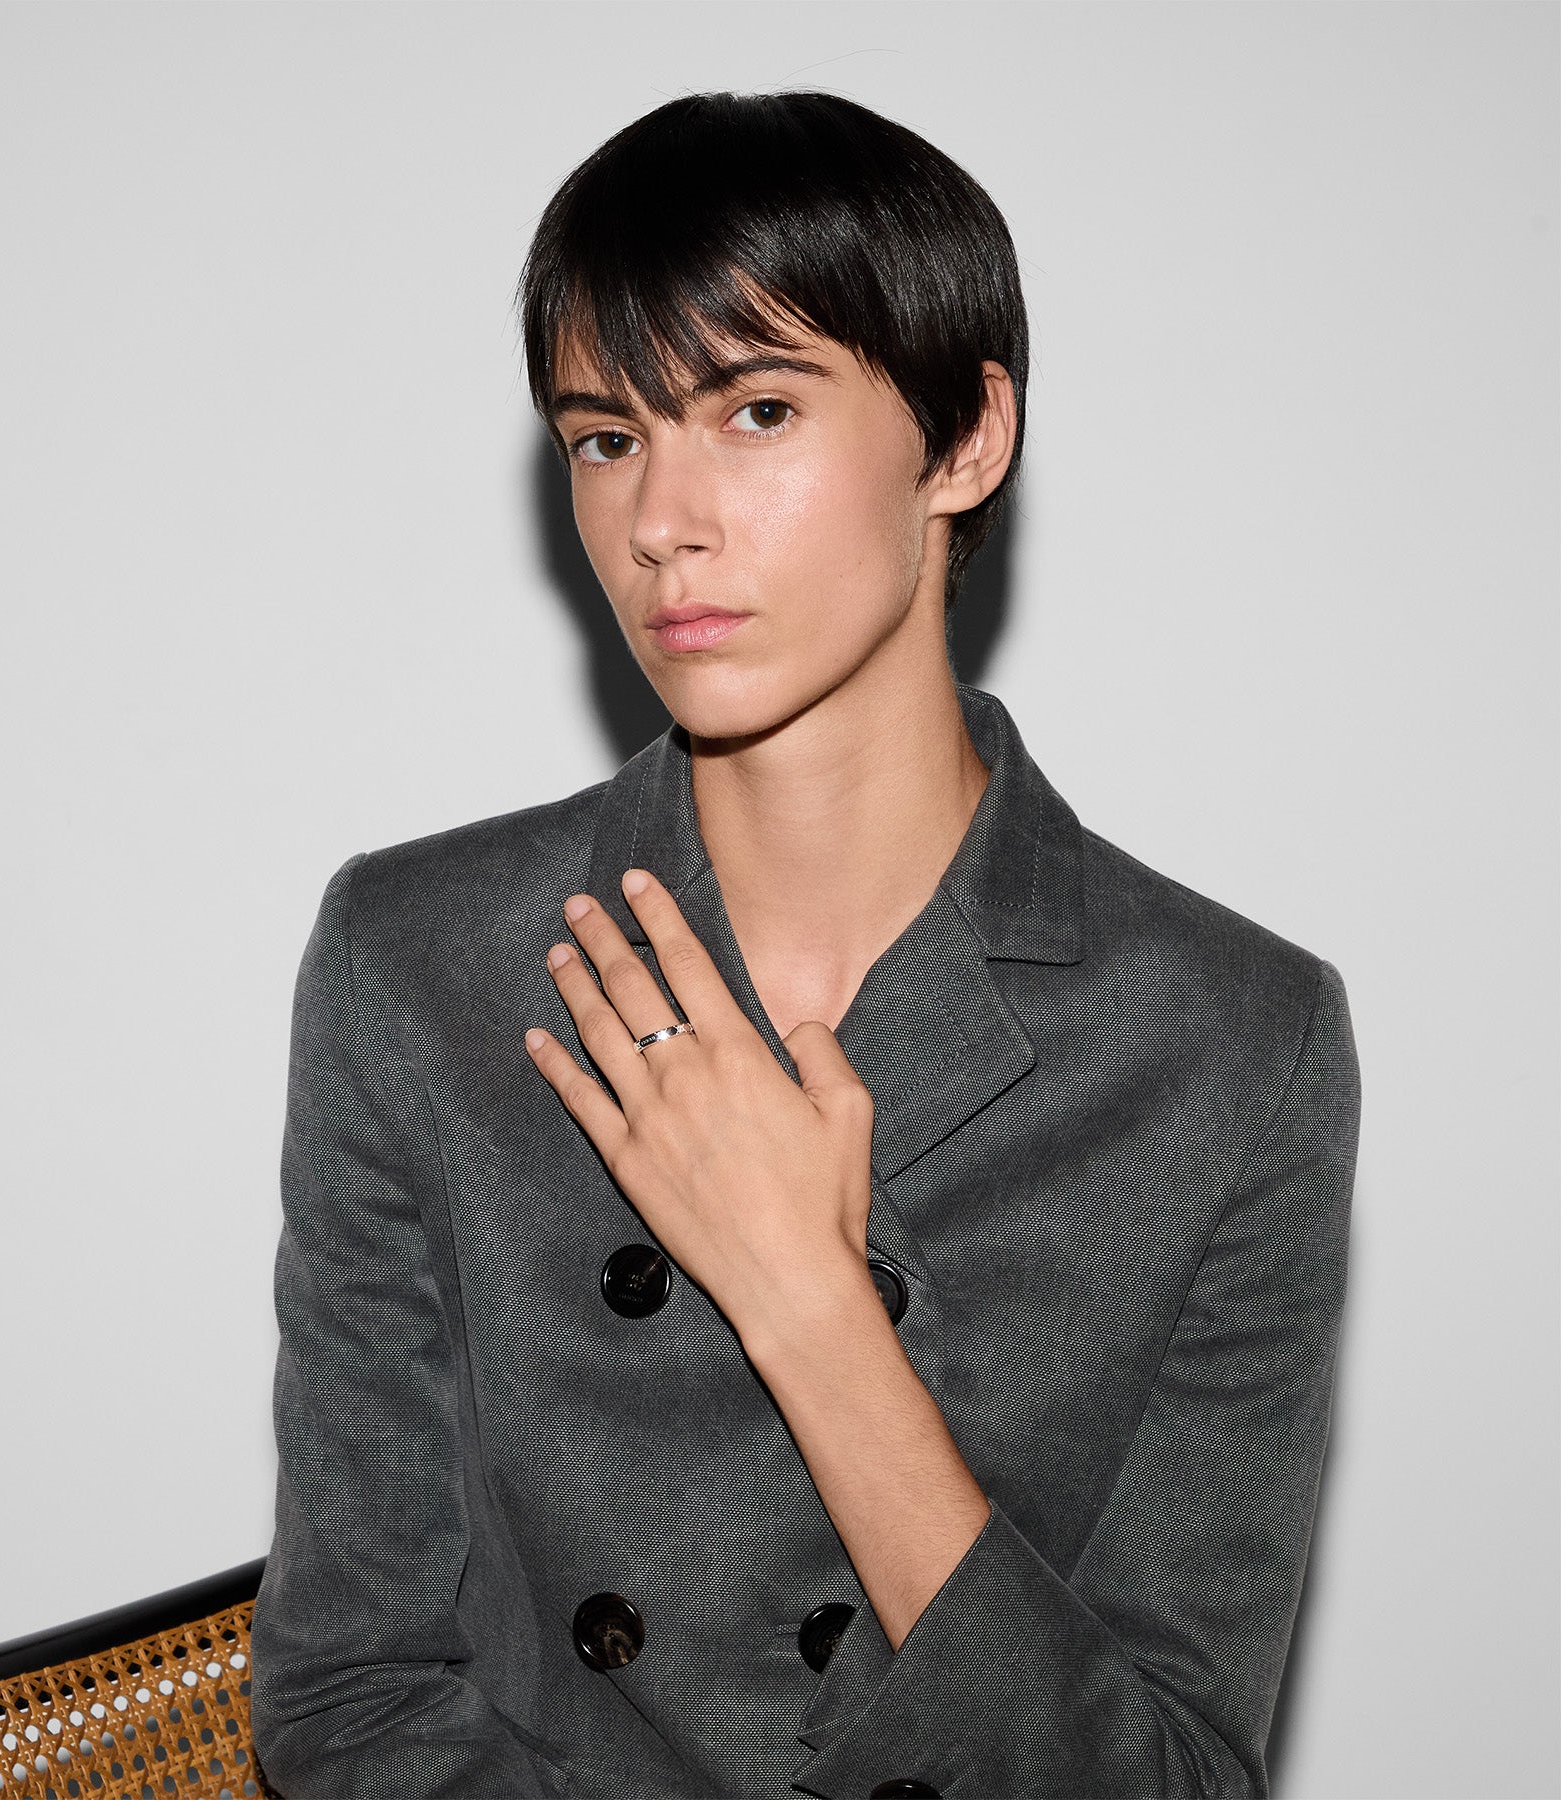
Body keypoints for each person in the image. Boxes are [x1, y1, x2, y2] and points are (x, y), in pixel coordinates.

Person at [248, 90, 1359, 1800]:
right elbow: (349, 1699)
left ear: (965, 439)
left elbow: (1170, 1780)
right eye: (605, 438)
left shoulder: (1229, 1045)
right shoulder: (422, 964)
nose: (659, 520)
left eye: (756, 411)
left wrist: (812, 1310)